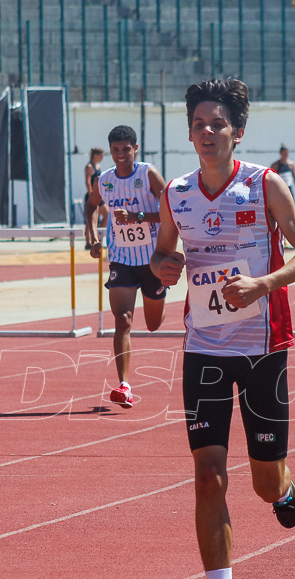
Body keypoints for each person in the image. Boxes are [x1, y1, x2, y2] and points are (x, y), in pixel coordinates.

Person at [150, 78, 295, 579]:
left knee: (263, 483)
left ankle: (284, 489)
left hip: (262, 348)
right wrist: (164, 269)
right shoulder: (175, 192)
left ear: (237, 132)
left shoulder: (263, 184)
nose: (205, 131)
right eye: (198, 123)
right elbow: (165, 253)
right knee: (207, 477)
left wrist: (264, 284)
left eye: (216, 123)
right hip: (203, 348)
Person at [84, 126, 168, 409]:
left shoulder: (147, 175)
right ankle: (124, 385)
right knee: (123, 320)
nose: (121, 155)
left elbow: (172, 209)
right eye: (116, 150)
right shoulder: (104, 179)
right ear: (110, 150)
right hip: (121, 259)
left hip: (153, 259)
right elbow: (92, 205)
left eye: (126, 149)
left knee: (153, 324)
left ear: (135, 148)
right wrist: (93, 236)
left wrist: (137, 216)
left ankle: (158, 299)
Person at [84, 147, 107, 249]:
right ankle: (88, 242)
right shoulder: (89, 166)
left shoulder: (98, 166)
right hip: (92, 195)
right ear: (96, 155)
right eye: (101, 156)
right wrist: (91, 195)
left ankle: (98, 236)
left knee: (106, 214)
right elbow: (88, 181)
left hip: (99, 195)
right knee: (90, 220)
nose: (102, 158)